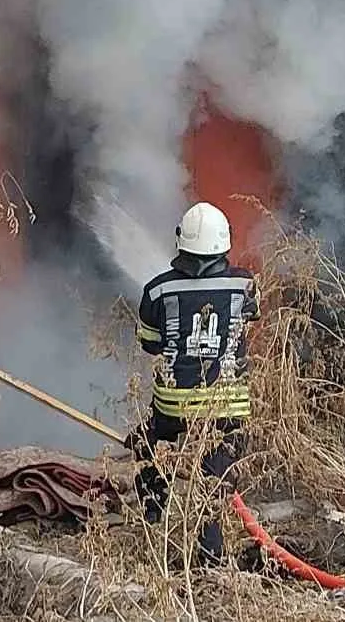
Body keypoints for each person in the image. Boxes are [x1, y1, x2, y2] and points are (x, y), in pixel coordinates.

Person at [130, 201, 257, 565]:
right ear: (225, 241)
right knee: (213, 481)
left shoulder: (157, 290)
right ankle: (210, 559)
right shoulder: (245, 284)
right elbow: (251, 318)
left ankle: (154, 514)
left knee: (146, 444)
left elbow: (149, 343)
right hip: (228, 404)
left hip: (174, 405)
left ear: (180, 241)